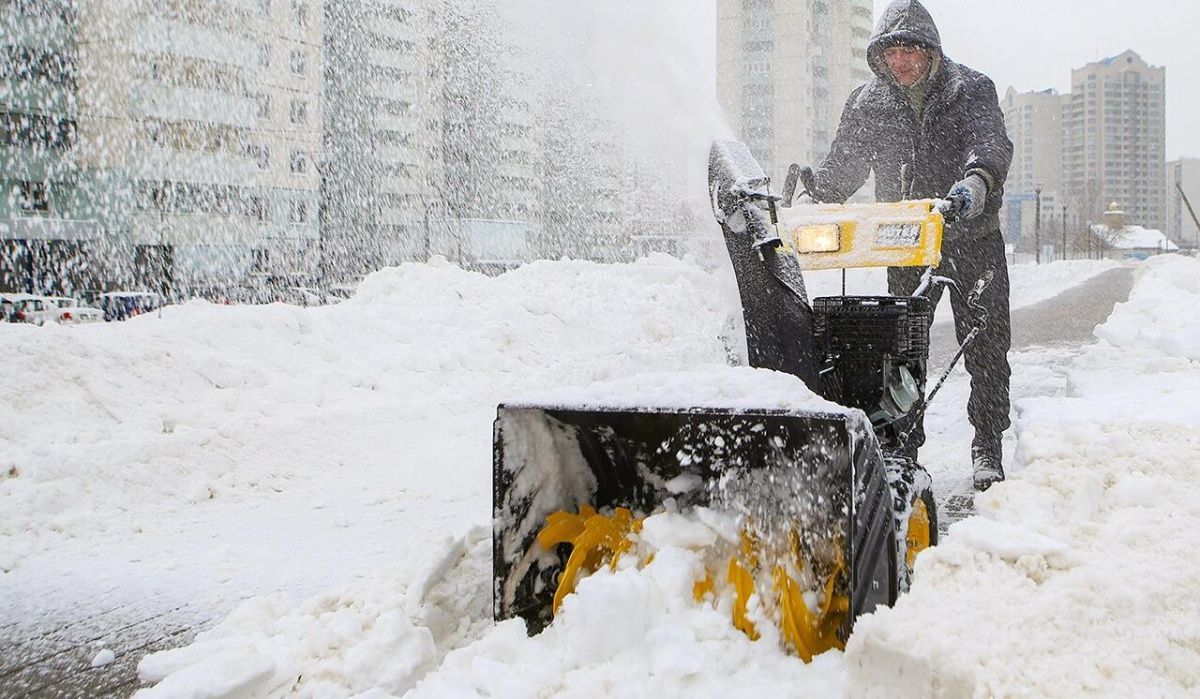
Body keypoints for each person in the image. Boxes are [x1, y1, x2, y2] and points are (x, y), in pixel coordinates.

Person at [803, 0, 1013, 492]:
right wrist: (815, 190)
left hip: (970, 236)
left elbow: (991, 146)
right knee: (898, 350)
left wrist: (974, 186)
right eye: (891, 50)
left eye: (910, 49)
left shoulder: (971, 90)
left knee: (986, 345)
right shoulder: (866, 103)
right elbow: (845, 166)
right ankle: (900, 443)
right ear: (880, 54)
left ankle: (987, 443)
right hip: (905, 242)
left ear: (930, 52)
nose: (901, 60)